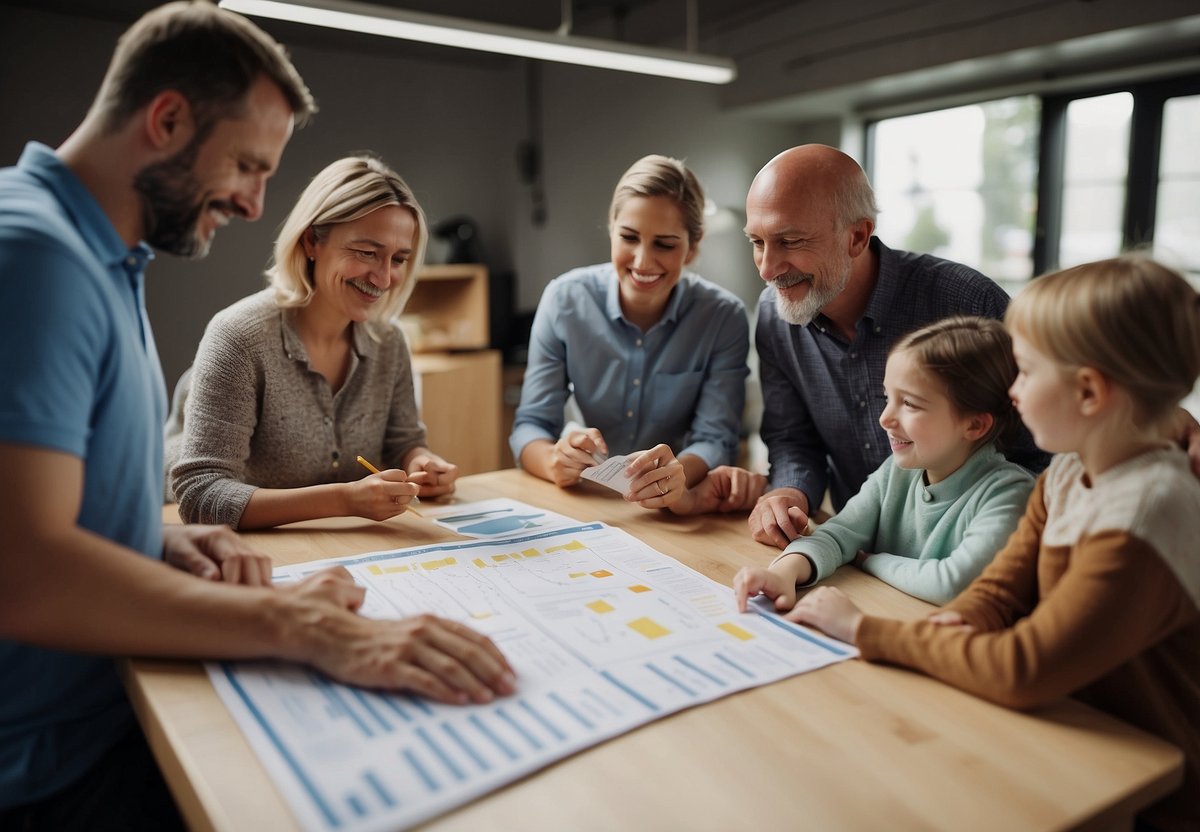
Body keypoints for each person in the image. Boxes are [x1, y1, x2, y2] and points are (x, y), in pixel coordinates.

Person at [0, 4, 512, 829]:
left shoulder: (105, 258)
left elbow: (44, 509)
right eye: (245, 164)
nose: (251, 204)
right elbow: (22, 570)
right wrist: (305, 627)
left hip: (116, 699)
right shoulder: (33, 258)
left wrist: (152, 535)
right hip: (49, 762)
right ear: (166, 120)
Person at [784, 256, 1200, 830]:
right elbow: (992, 597)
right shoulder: (1065, 475)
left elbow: (1025, 666)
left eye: (1027, 372)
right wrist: (926, 646)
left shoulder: (1147, 508)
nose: (1011, 392)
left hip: (1151, 791)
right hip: (1066, 740)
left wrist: (864, 630)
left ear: (1088, 392)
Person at [730, 143, 1051, 547]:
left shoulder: (970, 304)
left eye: (790, 241)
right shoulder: (776, 317)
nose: (766, 268)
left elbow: (1040, 455)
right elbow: (793, 439)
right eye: (757, 242)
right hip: (853, 550)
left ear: (858, 236)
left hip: (975, 555)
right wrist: (788, 492)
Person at [169, 155, 458, 529]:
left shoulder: (389, 342)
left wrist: (419, 463)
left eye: (399, 259)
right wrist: (344, 499)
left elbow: (401, 443)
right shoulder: (239, 336)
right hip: (227, 541)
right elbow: (200, 495)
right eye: (367, 253)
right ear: (311, 242)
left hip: (333, 542)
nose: (385, 279)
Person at [734, 316, 1034, 609]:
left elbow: (954, 583)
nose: (884, 418)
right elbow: (837, 535)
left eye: (909, 403)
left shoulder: (1010, 493)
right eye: (886, 397)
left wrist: (869, 560)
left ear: (975, 426)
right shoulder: (895, 473)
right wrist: (781, 573)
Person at [509, 154, 750, 510]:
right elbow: (530, 426)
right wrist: (553, 461)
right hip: (588, 501)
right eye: (629, 237)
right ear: (611, 229)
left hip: (675, 506)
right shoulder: (564, 301)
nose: (642, 261)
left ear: (693, 247)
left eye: (664, 244)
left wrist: (677, 473)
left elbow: (716, 438)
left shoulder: (723, 317)